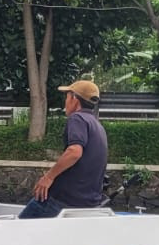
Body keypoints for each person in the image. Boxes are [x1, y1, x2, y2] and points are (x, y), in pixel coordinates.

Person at [20, 79, 108, 219]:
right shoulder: (97, 125)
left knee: (19, 230)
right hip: (88, 202)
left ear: (74, 98)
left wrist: (48, 177)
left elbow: (74, 151)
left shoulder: (77, 118)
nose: (65, 102)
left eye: (67, 96)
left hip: (63, 199)